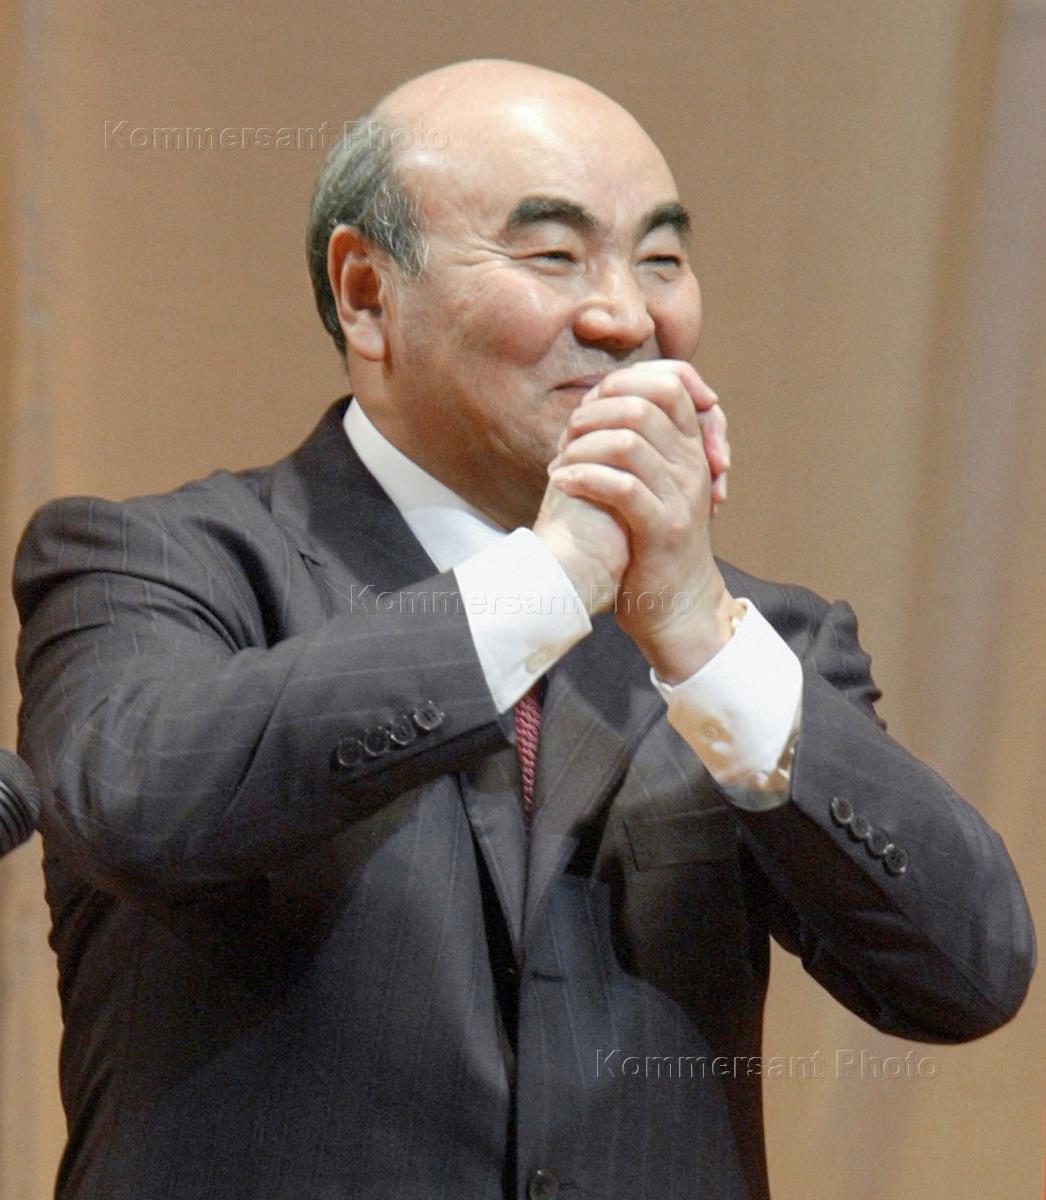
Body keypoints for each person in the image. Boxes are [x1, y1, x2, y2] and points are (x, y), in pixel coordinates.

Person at [14, 59, 1033, 1200]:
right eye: (553, 256)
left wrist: (698, 632)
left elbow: (965, 971)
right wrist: (549, 582)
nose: (627, 316)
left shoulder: (754, 641)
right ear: (366, 294)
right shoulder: (156, 563)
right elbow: (136, 802)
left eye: (660, 259)